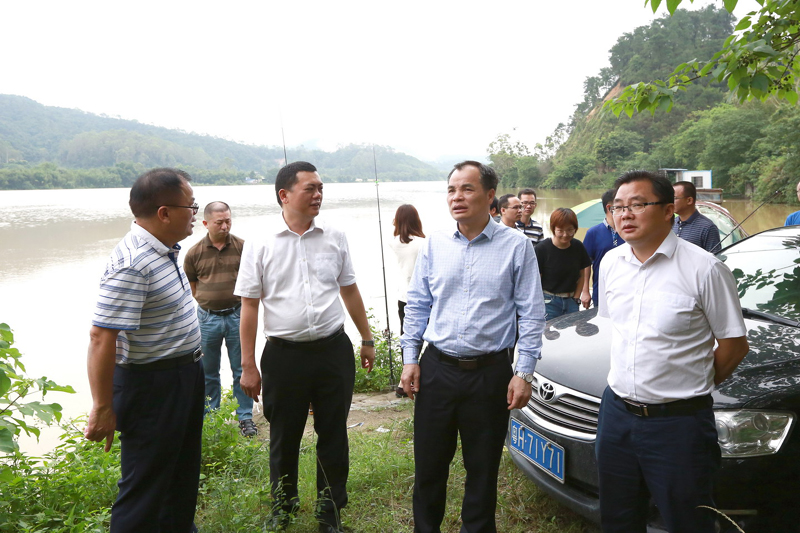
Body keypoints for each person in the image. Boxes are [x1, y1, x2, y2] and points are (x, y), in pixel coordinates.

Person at [596, 170, 749, 532]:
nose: (625, 214)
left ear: (668, 211)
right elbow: (617, 331)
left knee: (688, 520)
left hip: (678, 425)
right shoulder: (610, 264)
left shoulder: (705, 269)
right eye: (618, 207)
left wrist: (687, 386)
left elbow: (734, 345)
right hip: (616, 415)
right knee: (618, 516)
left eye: (637, 204)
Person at [400, 161, 546, 533]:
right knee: (429, 465)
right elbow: (417, 304)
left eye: (466, 189)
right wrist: (409, 359)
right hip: (438, 369)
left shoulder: (516, 246)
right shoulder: (434, 244)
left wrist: (523, 372)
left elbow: (531, 314)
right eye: (451, 190)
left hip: (490, 373)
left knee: (482, 468)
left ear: (489, 195)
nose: (457, 197)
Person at [235, 161, 375, 533]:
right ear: (284, 195)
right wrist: (248, 365)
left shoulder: (335, 236)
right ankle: (283, 507)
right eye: (310, 188)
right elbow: (249, 304)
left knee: (333, 433)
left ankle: (330, 514)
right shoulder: (260, 241)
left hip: (333, 351)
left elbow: (349, 289)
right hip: (284, 356)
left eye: (321, 188)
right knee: (284, 434)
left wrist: (367, 337)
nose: (318, 195)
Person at [85, 167, 205, 532]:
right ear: (164, 212)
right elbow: (101, 337)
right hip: (153, 387)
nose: (196, 213)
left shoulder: (165, 251)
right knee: (145, 489)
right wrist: (103, 406)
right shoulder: (134, 263)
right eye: (191, 205)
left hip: (183, 375)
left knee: (181, 475)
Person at [184, 201, 256, 437]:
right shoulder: (194, 253)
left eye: (228, 221)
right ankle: (211, 418)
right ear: (205, 223)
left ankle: (245, 418)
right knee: (208, 372)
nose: (225, 226)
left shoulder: (243, 247)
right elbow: (192, 287)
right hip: (207, 320)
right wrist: (209, 302)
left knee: (241, 369)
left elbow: (251, 284)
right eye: (219, 222)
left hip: (237, 316)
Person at [389, 204, 426, 398]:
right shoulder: (423, 243)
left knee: (408, 338)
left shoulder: (394, 242)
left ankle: (404, 383)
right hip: (423, 299)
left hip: (403, 297)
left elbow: (399, 234)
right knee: (428, 341)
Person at [535, 208, 591, 320]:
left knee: (570, 335)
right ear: (553, 229)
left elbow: (581, 274)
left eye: (570, 230)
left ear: (575, 229)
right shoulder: (542, 249)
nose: (565, 235)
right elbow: (536, 279)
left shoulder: (578, 246)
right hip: (549, 302)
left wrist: (576, 297)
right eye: (560, 230)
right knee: (549, 336)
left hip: (571, 301)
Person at [580, 189, 624, 309]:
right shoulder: (593, 233)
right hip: (601, 290)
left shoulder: (629, 231)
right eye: (620, 206)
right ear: (610, 208)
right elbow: (585, 264)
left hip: (627, 291)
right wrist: (585, 291)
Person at [672, 181, 721, 253]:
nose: (670, 202)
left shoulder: (708, 227)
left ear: (689, 200)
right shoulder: (671, 223)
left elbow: (715, 260)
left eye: (674, 198)